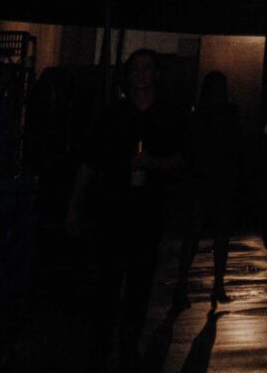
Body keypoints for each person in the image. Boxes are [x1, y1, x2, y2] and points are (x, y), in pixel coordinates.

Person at [69, 49, 188, 361]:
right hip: (112, 210)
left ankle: (129, 339)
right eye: (134, 68)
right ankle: (101, 344)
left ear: (156, 75)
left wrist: (154, 163)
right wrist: (75, 206)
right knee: (107, 281)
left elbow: (183, 160)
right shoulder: (112, 116)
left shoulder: (168, 115)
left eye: (146, 68)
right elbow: (89, 162)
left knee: (140, 281)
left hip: (148, 213)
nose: (140, 74)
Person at [178, 72, 245, 305]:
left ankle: (186, 285)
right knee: (217, 235)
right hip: (216, 181)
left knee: (198, 235)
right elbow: (235, 146)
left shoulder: (200, 116)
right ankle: (215, 284)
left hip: (204, 181)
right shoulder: (226, 114)